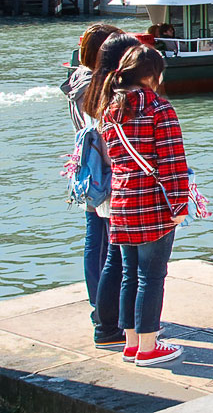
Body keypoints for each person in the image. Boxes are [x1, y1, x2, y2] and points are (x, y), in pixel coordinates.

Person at [95, 44, 188, 367]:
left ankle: (131, 343)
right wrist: (179, 206)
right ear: (152, 74)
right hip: (152, 202)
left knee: (129, 274)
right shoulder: (159, 108)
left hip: (121, 201)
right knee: (152, 275)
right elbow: (173, 162)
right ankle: (148, 347)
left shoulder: (110, 108)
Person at [60, 23, 124, 333]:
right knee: (107, 242)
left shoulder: (77, 79)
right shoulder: (93, 84)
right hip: (103, 168)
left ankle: (100, 305)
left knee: (96, 237)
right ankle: (105, 309)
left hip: (88, 167)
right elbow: (103, 129)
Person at [82, 33, 143, 348]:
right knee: (120, 261)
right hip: (119, 186)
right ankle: (112, 325)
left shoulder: (89, 88)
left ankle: (106, 321)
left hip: (102, 183)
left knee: (108, 254)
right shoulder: (114, 98)